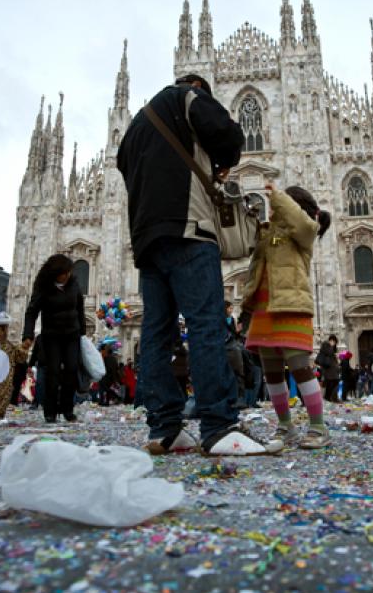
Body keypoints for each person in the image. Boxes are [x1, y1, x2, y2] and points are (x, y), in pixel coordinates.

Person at [117, 73, 279, 456]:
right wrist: (220, 166)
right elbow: (230, 136)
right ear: (198, 89)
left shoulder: (136, 125)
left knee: (156, 334)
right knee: (207, 324)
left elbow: (125, 170)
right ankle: (218, 426)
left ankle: (165, 428)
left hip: (147, 241)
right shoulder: (190, 98)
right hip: (189, 228)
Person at [242, 183, 331, 448]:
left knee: (300, 367)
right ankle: (285, 425)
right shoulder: (269, 233)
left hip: (291, 306)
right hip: (265, 308)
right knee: (271, 372)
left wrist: (280, 197)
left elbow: (301, 223)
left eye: (279, 206)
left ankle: (318, 427)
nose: (274, 209)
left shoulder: (304, 233)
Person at [22, 254, 86, 423]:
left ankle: (67, 409)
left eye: (68, 272)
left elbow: (80, 307)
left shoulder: (74, 284)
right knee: (53, 372)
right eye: (63, 273)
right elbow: (32, 311)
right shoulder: (43, 287)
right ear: (54, 273)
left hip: (72, 334)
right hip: (52, 336)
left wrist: (83, 333)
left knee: (72, 369)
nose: (67, 276)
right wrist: (27, 335)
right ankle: (50, 411)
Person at [316, 334, 340, 402]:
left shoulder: (331, 348)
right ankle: (328, 397)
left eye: (335, 342)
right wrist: (331, 347)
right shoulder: (325, 345)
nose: (334, 343)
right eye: (333, 341)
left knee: (333, 382)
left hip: (332, 369)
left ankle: (329, 397)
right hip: (328, 368)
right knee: (331, 382)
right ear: (331, 340)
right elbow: (328, 352)